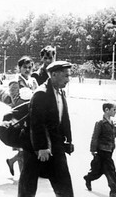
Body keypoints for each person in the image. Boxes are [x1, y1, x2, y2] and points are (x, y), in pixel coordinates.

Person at [18, 61, 74, 197]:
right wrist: (42, 147)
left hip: (56, 143)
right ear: (54, 75)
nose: (68, 79)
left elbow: (63, 119)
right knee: (28, 184)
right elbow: (36, 123)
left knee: (64, 184)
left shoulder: (60, 92)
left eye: (69, 76)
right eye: (65, 76)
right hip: (36, 146)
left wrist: (68, 140)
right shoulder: (41, 94)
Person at [83, 103, 116, 197]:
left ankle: (88, 178)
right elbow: (95, 137)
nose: (115, 112)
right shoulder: (100, 123)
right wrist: (93, 150)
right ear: (106, 110)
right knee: (110, 170)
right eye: (114, 110)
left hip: (109, 151)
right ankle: (113, 191)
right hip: (101, 151)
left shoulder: (114, 125)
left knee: (99, 171)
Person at [6, 56, 38, 176]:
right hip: (19, 117)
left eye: (30, 67)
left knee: (28, 146)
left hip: (31, 116)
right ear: (19, 68)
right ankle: (23, 177)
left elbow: (38, 95)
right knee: (20, 145)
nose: (28, 70)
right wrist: (30, 100)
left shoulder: (33, 81)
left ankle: (12, 161)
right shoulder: (15, 82)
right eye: (25, 67)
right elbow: (15, 101)